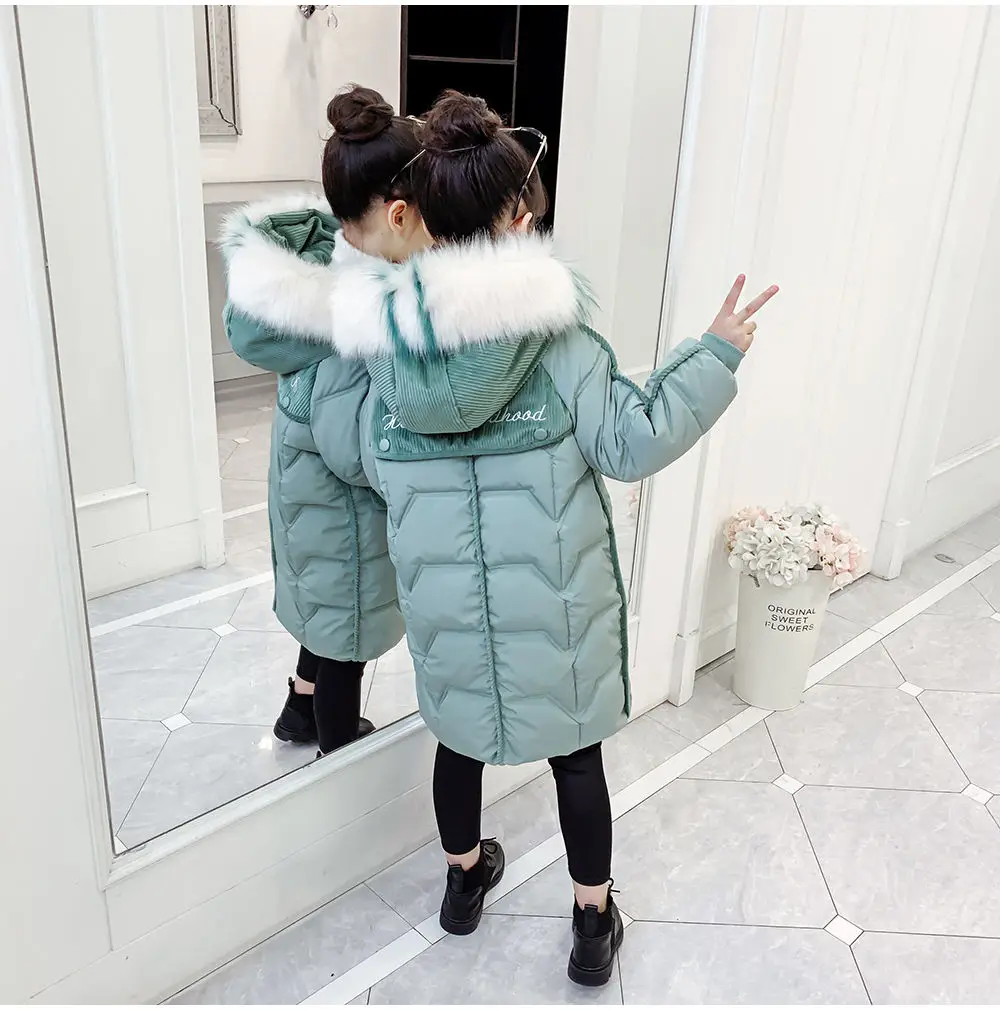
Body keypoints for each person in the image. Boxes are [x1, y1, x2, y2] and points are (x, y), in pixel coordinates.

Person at [323, 89, 776, 985]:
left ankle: (462, 884)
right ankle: (592, 921)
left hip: (447, 610)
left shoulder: (386, 351)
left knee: (456, 743)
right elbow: (633, 442)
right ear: (521, 222)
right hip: (557, 609)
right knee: (575, 758)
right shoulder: (564, 347)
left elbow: (364, 461)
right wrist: (714, 351)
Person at [220, 86, 431, 755]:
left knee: (327, 619)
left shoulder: (323, 276)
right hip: (343, 516)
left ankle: (298, 712)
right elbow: (353, 447)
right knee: (346, 644)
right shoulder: (361, 309)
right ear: (400, 212)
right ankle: (336, 757)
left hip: (312, 500)